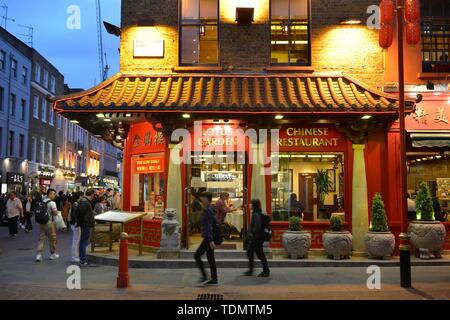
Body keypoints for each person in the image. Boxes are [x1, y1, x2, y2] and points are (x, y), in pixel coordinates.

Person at [194, 191, 218, 286]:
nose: (201, 199)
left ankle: (204, 276)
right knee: (210, 258)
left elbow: (209, 226)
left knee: (197, 255)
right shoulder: (208, 208)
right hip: (209, 237)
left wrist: (211, 240)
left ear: (207, 199)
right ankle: (214, 278)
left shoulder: (208, 210)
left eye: (203, 198)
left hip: (208, 237)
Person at [244, 199, 270, 277]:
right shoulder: (256, 213)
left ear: (254, 205)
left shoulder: (256, 214)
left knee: (259, 254)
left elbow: (257, 227)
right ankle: (251, 270)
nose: (250, 205)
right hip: (255, 237)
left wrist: (252, 234)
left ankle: (266, 271)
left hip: (256, 238)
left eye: (251, 204)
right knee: (250, 252)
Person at [36, 189, 59, 261]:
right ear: (49, 194)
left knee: (41, 238)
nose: (54, 195)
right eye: (53, 194)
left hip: (41, 222)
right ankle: (53, 254)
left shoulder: (43, 201)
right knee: (52, 238)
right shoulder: (52, 203)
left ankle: (39, 255)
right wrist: (58, 212)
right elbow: (55, 213)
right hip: (49, 223)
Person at [77, 188, 95, 266]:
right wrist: (83, 222)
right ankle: (83, 260)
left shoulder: (84, 201)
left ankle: (82, 259)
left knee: (83, 241)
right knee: (84, 242)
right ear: (92, 195)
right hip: (86, 224)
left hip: (85, 223)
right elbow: (81, 214)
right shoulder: (84, 202)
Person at [69, 192, 82, 263]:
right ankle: (74, 256)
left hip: (74, 224)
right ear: (79, 197)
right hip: (76, 224)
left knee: (76, 240)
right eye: (81, 197)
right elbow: (75, 215)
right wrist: (78, 222)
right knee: (76, 241)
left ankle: (75, 256)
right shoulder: (76, 204)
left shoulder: (74, 204)